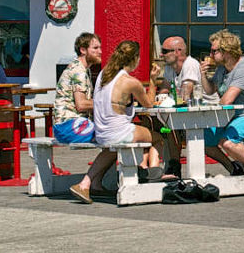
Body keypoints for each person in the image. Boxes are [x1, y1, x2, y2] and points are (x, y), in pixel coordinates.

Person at [71, 39, 171, 203]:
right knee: (158, 138)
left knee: (111, 150)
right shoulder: (130, 82)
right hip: (119, 132)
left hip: (102, 131)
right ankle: (152, 176)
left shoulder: (104, 74)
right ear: (134, 59)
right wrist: (153, 80)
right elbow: (149, 104)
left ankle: (85, 183)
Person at [55, 33, 117, 196]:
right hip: (68, 125)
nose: (100, 52)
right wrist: (109, 105)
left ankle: (95, 183)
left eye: (100, 48)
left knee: (114, 137)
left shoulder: (82, 69)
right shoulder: (79, 72)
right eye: (95, 48)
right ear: (83, 50)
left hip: (69, 124)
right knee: (115, 138)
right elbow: (81, 104)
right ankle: (86, 183)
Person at [199, 29, 244, 175]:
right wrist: (203, 75)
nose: (210, 55)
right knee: (202, 141)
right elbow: (210, 90)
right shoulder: (222, 69)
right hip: (230, 117)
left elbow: (226, 101)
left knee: (228, 143)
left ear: (227, 52)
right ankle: (233, 168)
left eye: (214, 51)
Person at [159, 36, 202, 103]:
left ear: (177, 52)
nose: (161, 54)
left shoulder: (190, 64)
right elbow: (163, 92)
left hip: (208, 108)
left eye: (164, 51)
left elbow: (184, 97)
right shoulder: (169, 66)